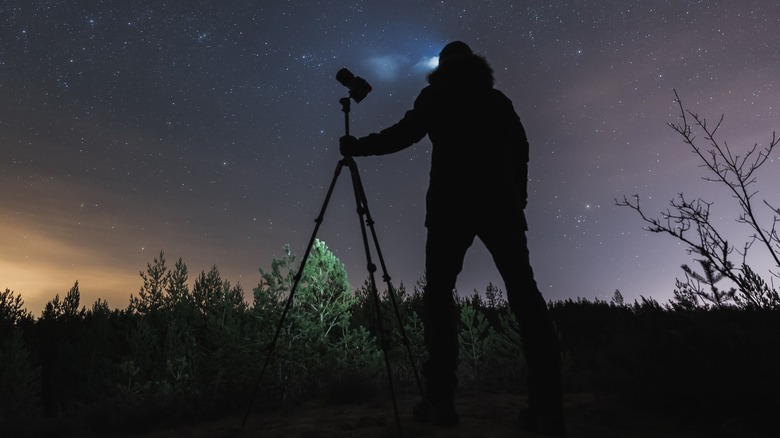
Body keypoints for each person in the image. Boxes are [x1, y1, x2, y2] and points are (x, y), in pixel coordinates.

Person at [339, 41, 566, 437]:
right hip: (501, 206)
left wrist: (360, 147)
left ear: (444, 66)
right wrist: (519, 196)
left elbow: (404, 134)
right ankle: (548, 407)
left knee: (440, 296)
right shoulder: (498, 101)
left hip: (450, 207)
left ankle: (440, 401)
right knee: (526, 297)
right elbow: (522, 148)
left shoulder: (437, 95)